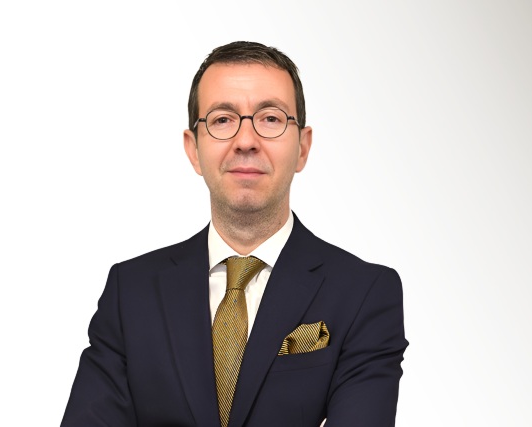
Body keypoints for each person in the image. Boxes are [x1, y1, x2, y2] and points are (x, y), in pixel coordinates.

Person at [61, 41, 408, 427]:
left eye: (271, 118)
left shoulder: (364, 294)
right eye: (223, 119)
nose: (245, 141)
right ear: (193, 149)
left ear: (302, 147)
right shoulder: (131, 293)